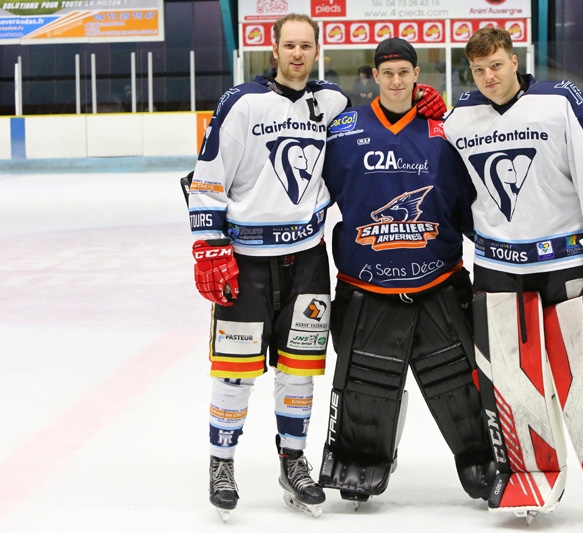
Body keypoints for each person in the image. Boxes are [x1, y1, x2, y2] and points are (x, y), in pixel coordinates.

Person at [442, 27, 583, 528]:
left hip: (566, 264)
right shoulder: (459, 120)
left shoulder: (560, 100)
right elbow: (452, 196)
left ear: (514, 60)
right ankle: (525, 474)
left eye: (496, 64)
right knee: (510, 382)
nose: (489, 77)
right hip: (497, 267)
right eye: (478, 70)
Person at [316, 37, 496, 509]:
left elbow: (475, 200)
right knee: (363, 383)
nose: (396, 81)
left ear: (418, 76)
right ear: (375, 77)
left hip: (438, 278)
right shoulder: (343, 130)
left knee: (460, 377)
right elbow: (304, 193)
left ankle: (484, 456)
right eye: (387, 73)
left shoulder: (446, 129)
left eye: (405, 72)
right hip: (365, 284)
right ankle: (361, 458)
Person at [187, 13, 350, 521]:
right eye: (290, 45)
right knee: (233, 373)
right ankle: (221, 463)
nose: (298, 54)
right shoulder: (242, 103)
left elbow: (375, 137)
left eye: (307, 46)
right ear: (273, 50)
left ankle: (292, 460)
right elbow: (208, 178)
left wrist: (421, 103)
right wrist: (208, 244)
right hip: (246, 263)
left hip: (307, 261)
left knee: (300, 371)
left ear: (317, 51)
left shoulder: (333, 104)